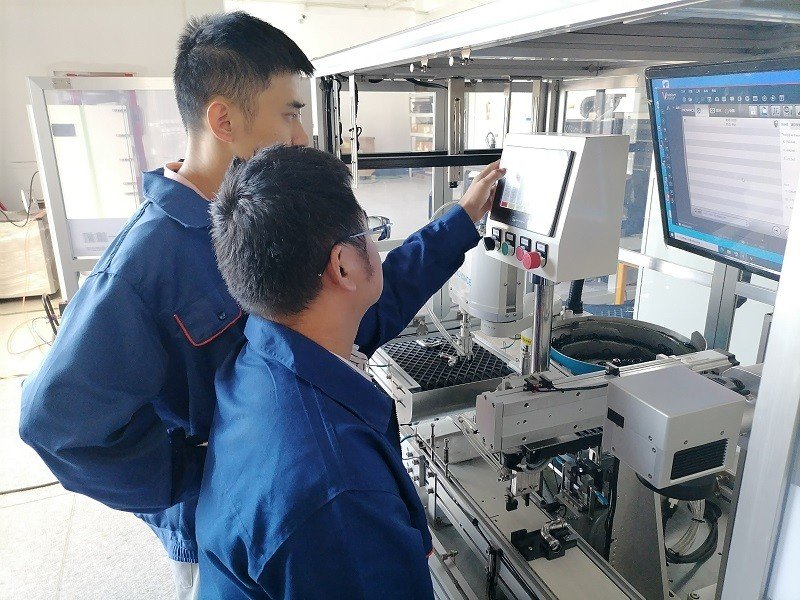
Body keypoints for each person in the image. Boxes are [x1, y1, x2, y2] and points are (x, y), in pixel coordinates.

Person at [18, 10, 502, 599]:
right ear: (223, 119)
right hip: (233, 515)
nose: (301, 135)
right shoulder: (147, 263)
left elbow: (348, 311)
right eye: (289, 114)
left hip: (275, 487)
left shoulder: (262, 218)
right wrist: (198, 474)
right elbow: (57, 426)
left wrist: (457, 225)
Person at [197, 145, 502, 599]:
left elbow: (388, 292)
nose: (377, 246)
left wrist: (462, 218)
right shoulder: (342, 495)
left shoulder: (262, 353)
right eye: (371, 232)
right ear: (341, 265)